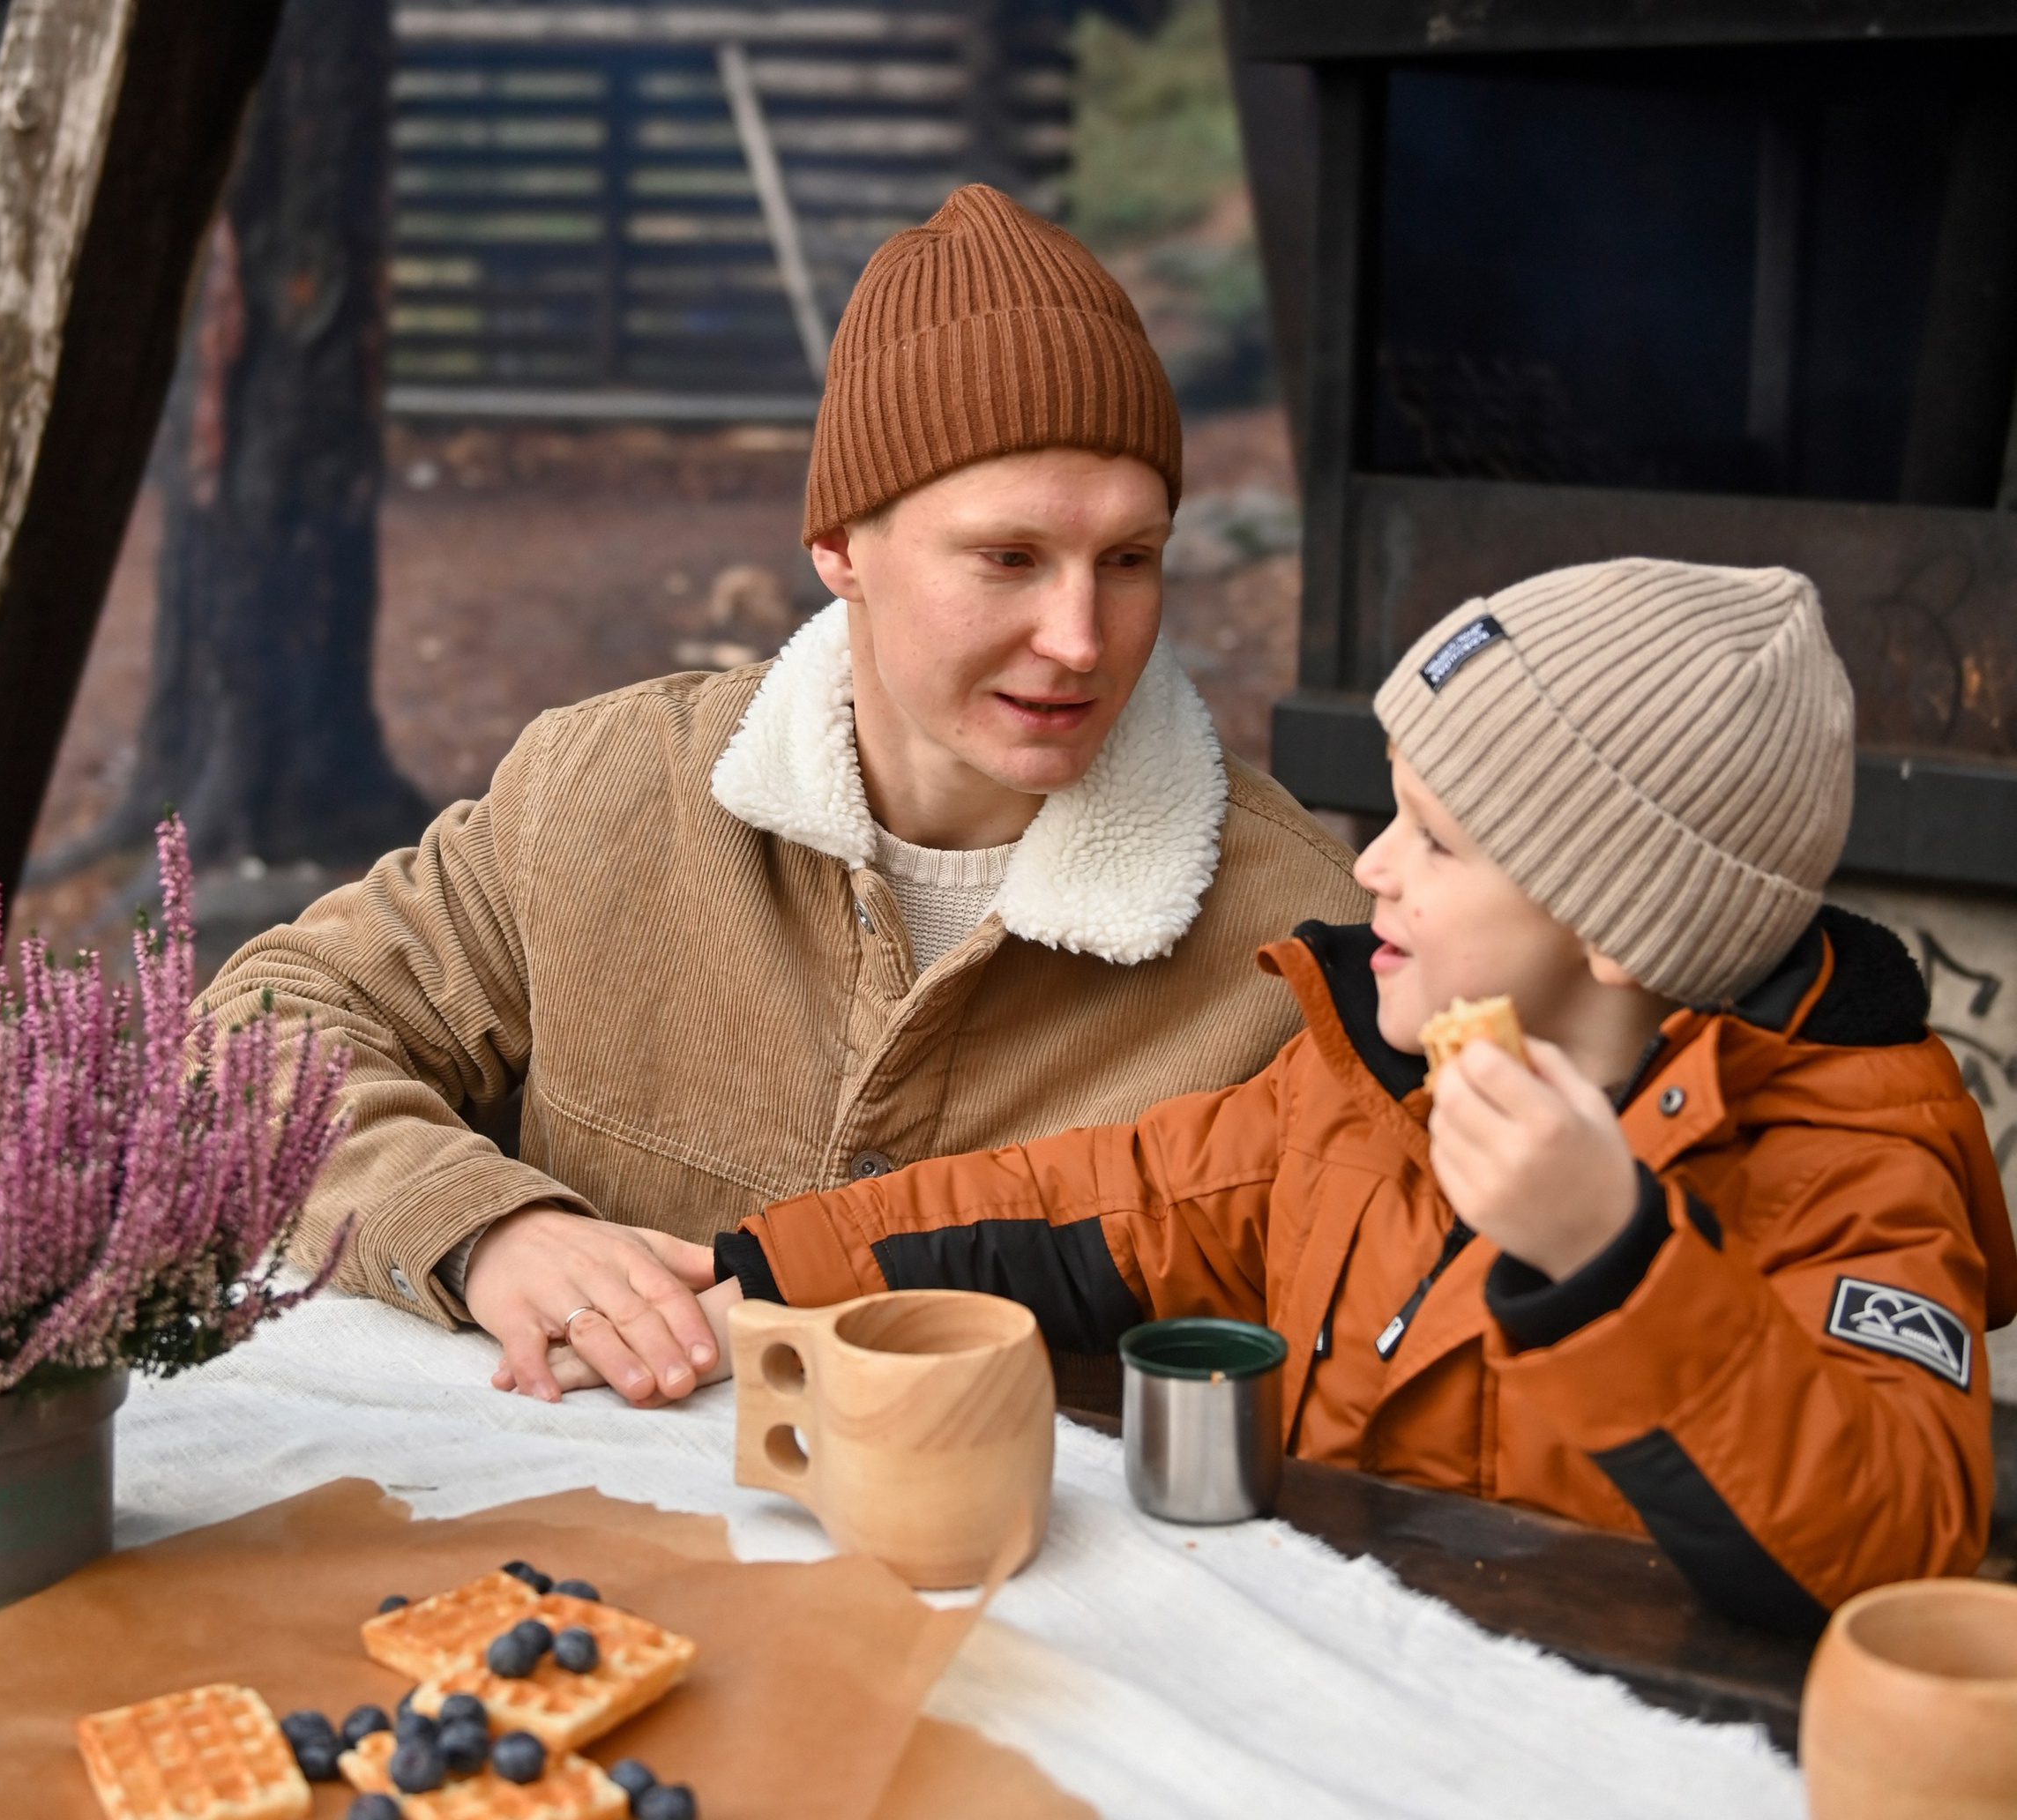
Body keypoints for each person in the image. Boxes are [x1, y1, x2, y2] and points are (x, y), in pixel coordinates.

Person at [208, 183, 1363, 1405]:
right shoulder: (604, 789)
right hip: (588, 1558)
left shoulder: (1298, 937)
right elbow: (258, 1033)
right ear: (840, 547)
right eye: (1008, 559)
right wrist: (487, 1229)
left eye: (1129, 560)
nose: (1080, 638)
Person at [715, 558, 2017, 1624]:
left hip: (1639, 1771)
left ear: (1619, 922)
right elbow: (1092, 1201)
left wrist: (1612, 1259)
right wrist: (740, 1274)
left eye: (1436, 841)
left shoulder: (1852, 1158)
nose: (1373, 869)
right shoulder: (1358, 1085)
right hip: (1349, 1689)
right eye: (1389, 816)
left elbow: (1893, 1543)